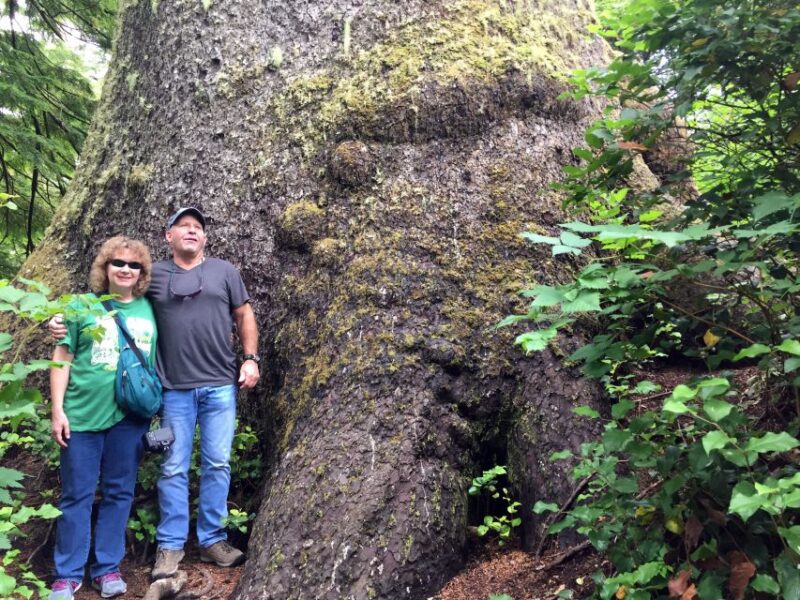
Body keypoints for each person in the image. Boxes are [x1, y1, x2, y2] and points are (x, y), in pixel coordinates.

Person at [51, 207, 260, 578]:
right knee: (174, 467)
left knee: (217, 463)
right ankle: (170, 545)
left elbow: (244, 314)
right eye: (184, 227)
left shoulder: (225, 272)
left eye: (198, 228)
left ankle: (212, 539)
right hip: (174, 389)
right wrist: (58, 319)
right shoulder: (156, 278)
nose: (191, 232)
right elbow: (111, 301)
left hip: (220, 386)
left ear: (205, 238)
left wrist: (250, 359)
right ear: (169, 236)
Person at [49, 237, 157, 600]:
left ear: (142, 273)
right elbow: (61, 358)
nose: (126, 269)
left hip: (129, 420)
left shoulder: (149, 309)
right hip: (80, 417)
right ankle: (67, 573)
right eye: (118, 263)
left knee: (119, 493)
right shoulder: (80, 307)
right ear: (105, 268)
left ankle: (107, 568)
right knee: (76, 495)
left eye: (134, 265)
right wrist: (58, 409)